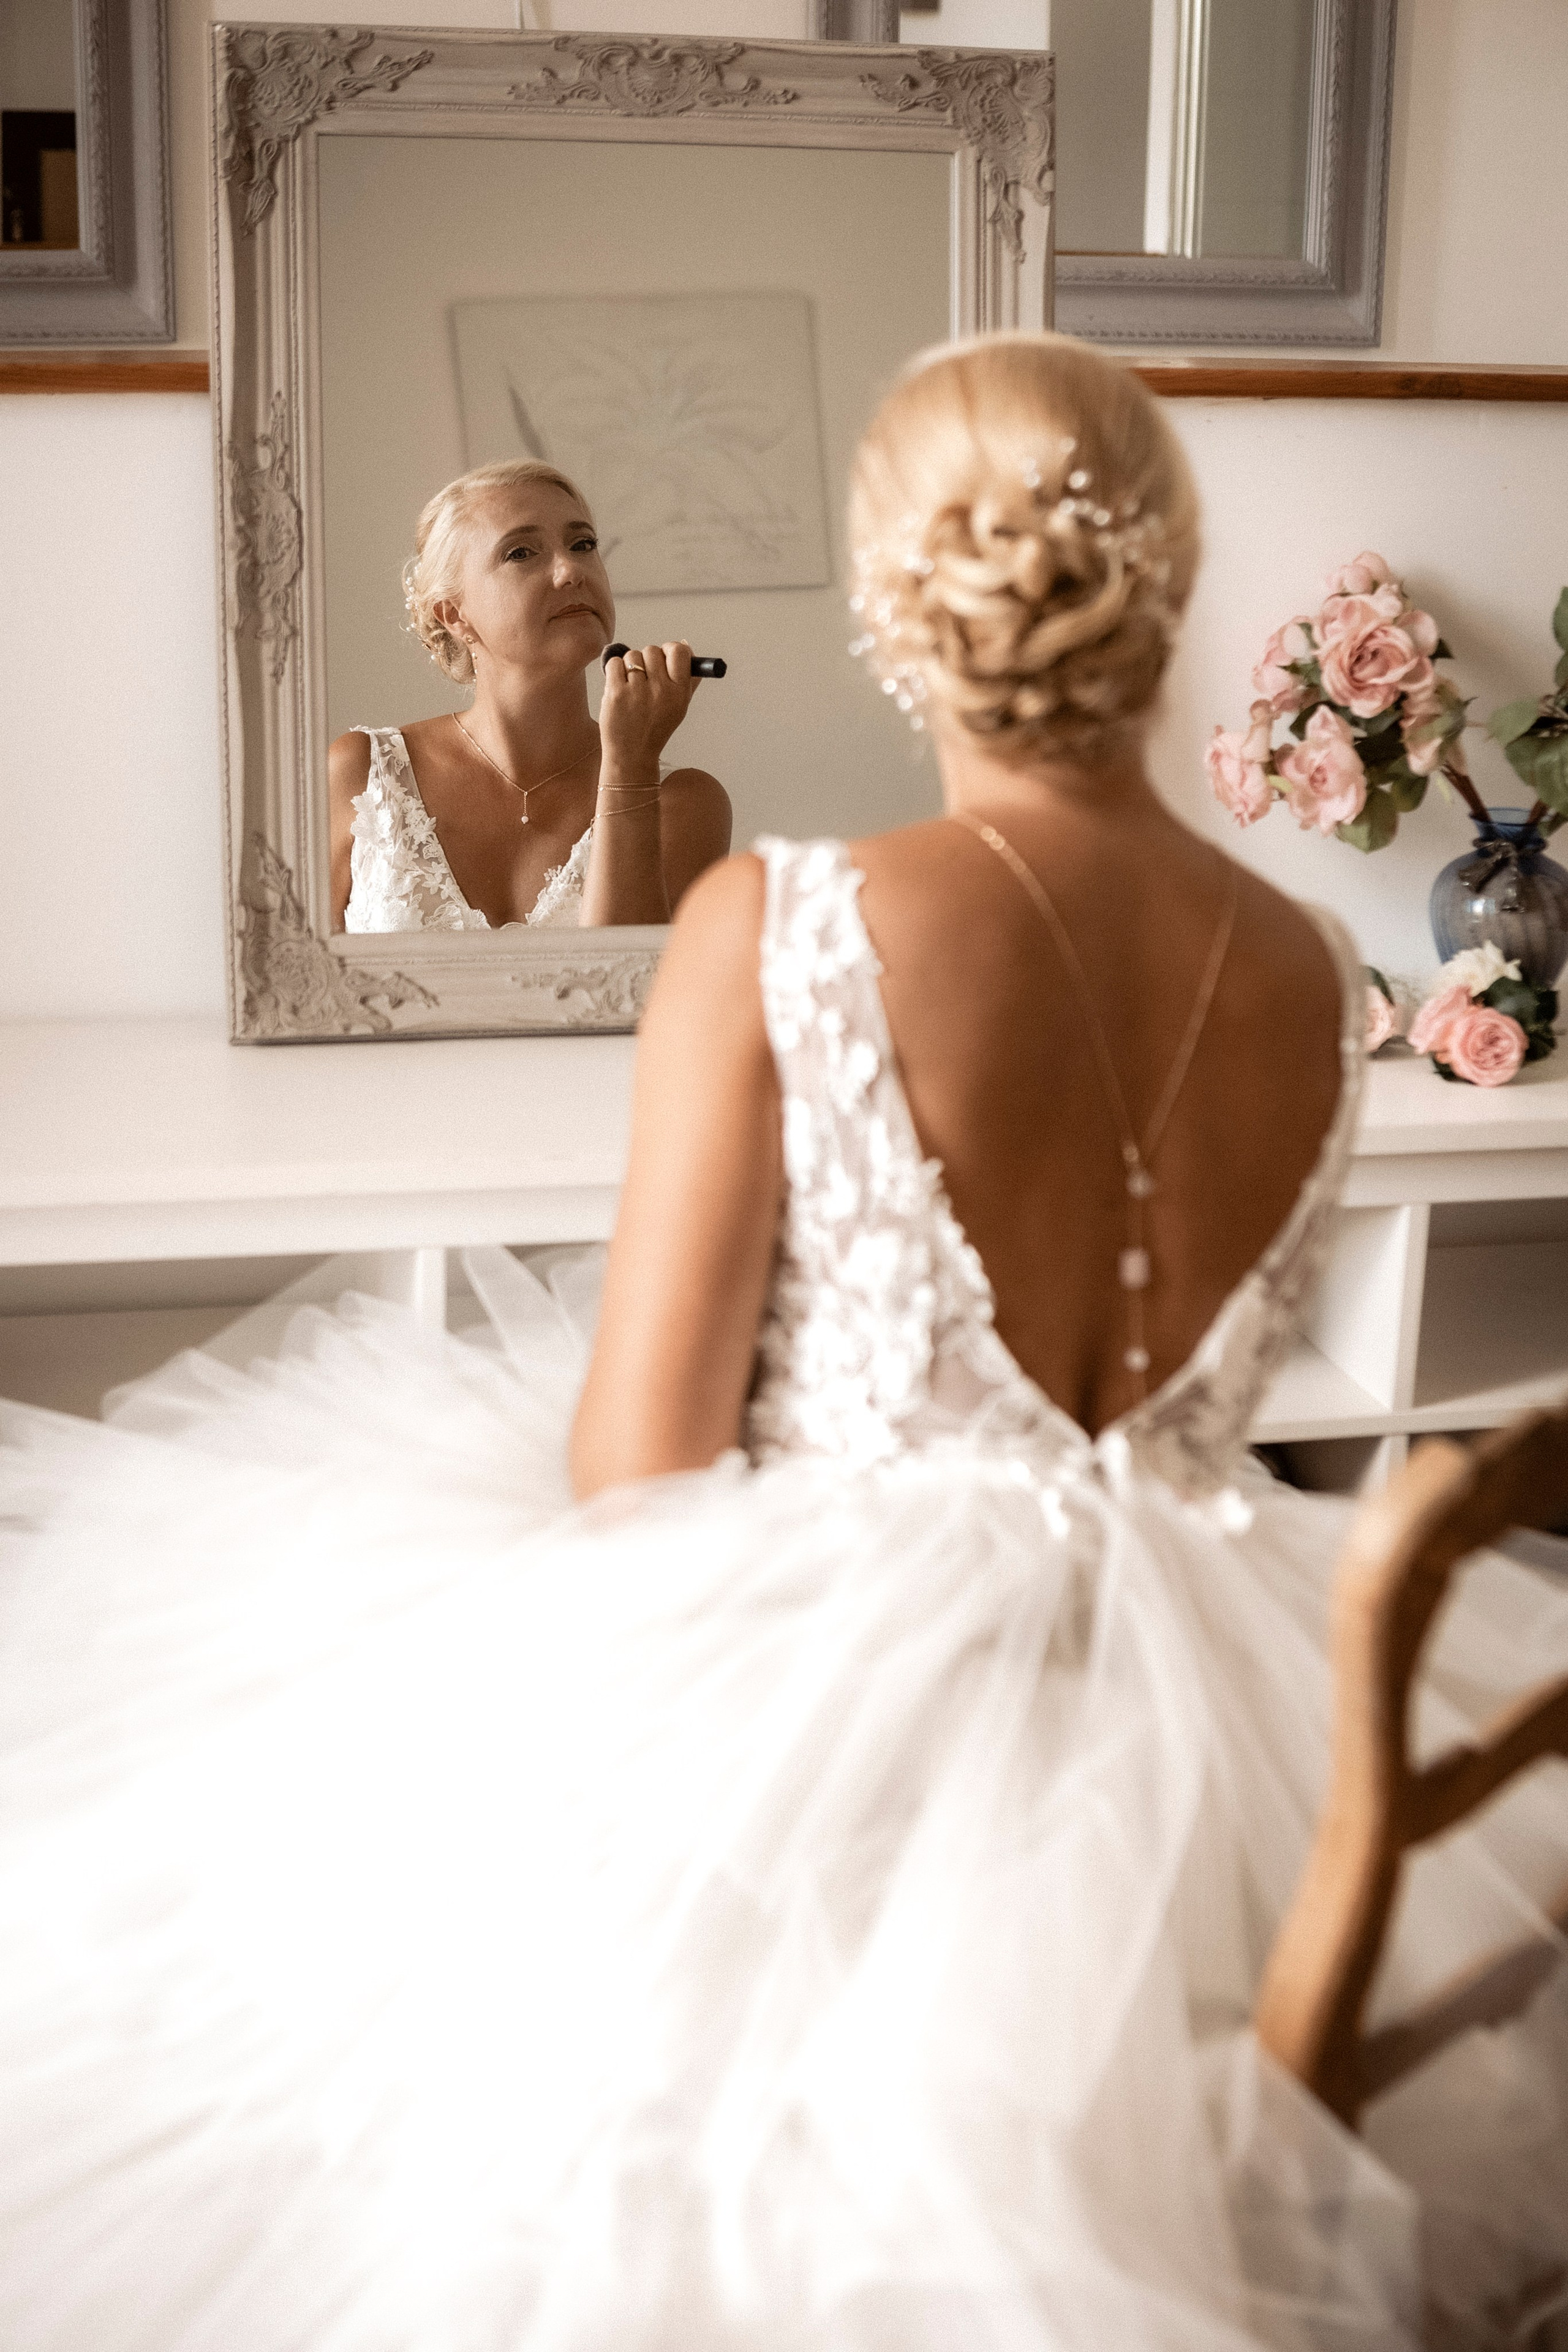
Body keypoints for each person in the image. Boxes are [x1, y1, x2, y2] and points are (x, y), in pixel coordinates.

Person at [1, 334, 1566, 2351]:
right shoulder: (1305, 963)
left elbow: (643, 1469)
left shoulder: (785, 917)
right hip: (1200, 1736)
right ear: (1162, 572)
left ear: (895, 600)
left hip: (853, 1741)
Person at [330, 458, 731, 930]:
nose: (570, 572)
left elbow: (622, 989)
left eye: (583, 545)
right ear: (453, 614)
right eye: (521, 553)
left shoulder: (685, 803)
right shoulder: (363, 775)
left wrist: (631, 765)